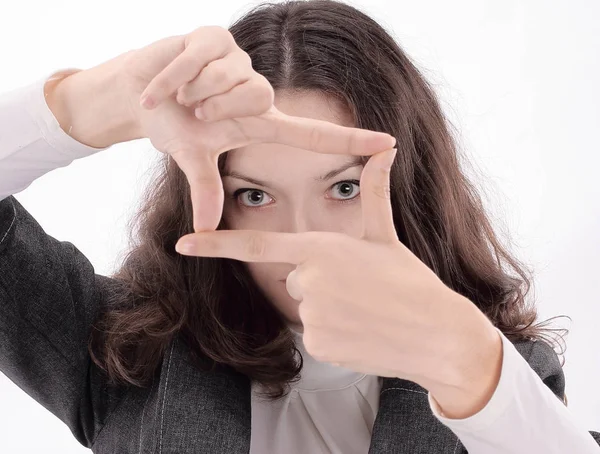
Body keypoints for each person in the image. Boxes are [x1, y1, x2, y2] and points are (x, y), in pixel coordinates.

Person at [0, 0, 598, 452]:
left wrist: (471, 365)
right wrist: (83, 108)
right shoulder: (127, 358)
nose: (302, 242)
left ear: (409, 187)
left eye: (343, 188)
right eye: (255, 194)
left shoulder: (494, 379)